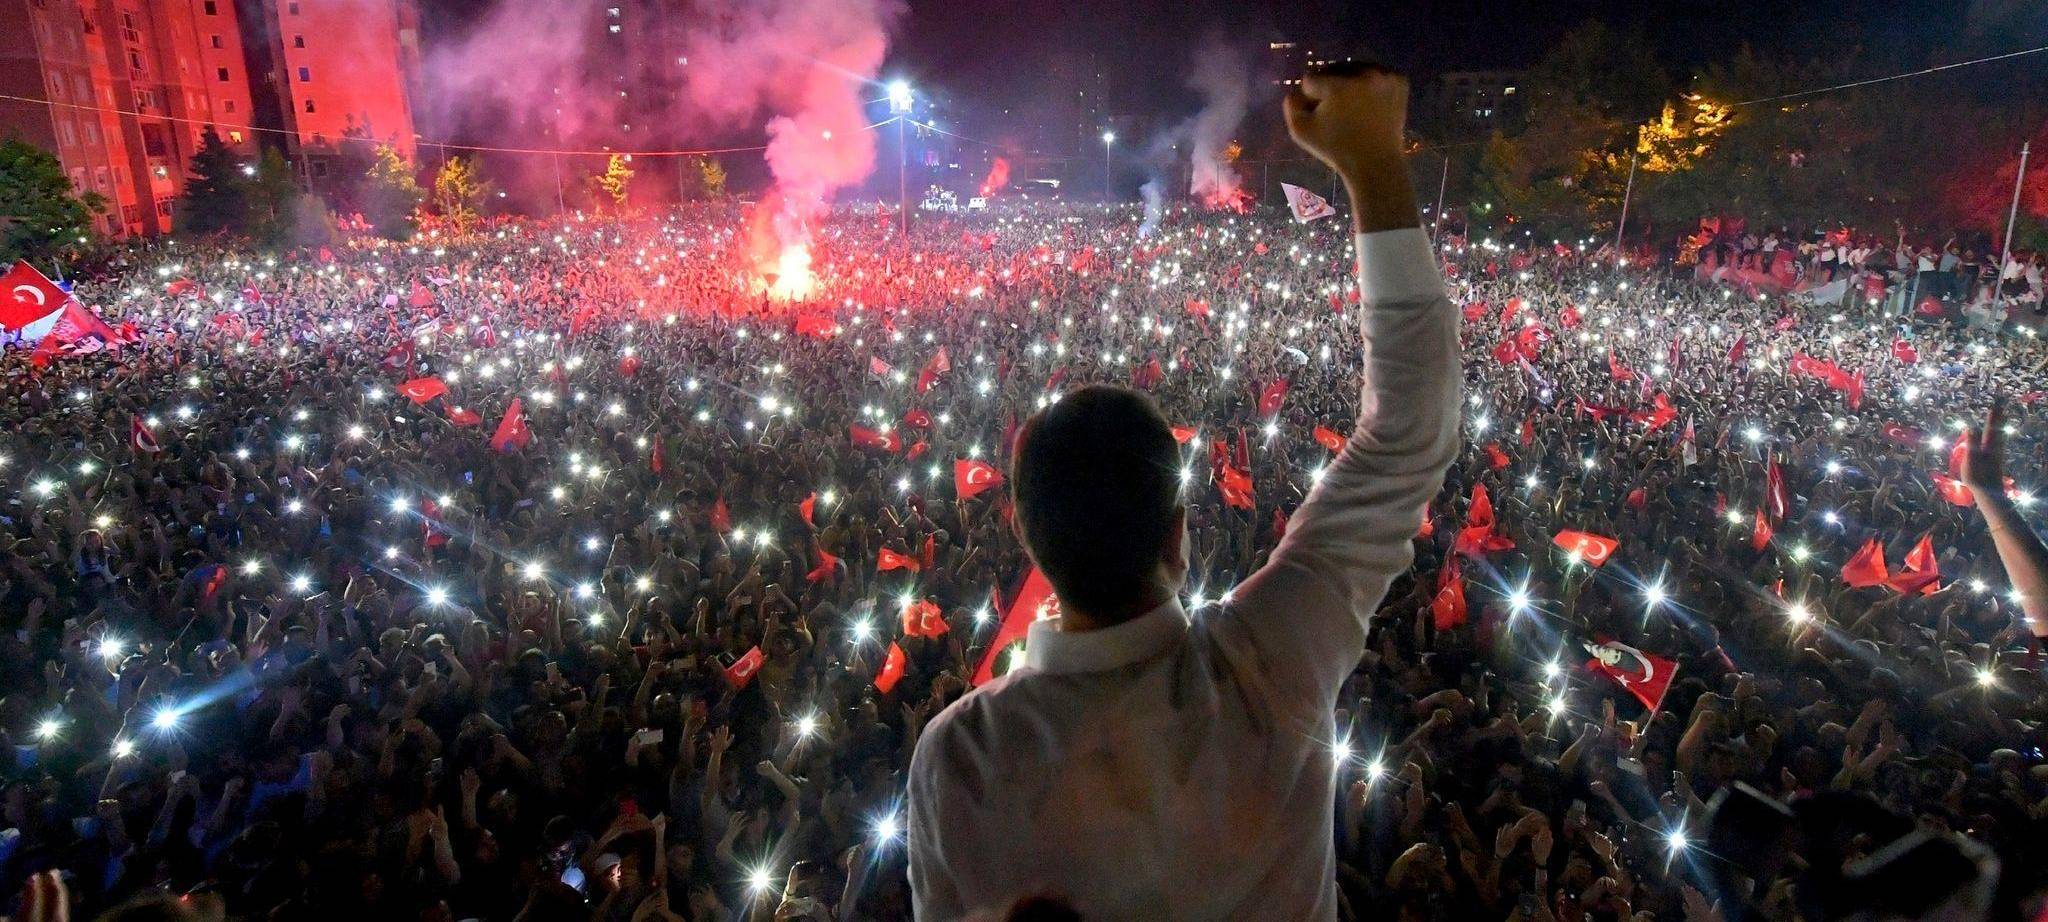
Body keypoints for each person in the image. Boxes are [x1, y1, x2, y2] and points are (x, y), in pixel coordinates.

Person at [906, 65, 1461, 919]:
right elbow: (1409, 435)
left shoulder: (962, 759)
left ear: (1027, 537)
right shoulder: (1269, 665)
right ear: (1180, 531)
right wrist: (1374, 165)